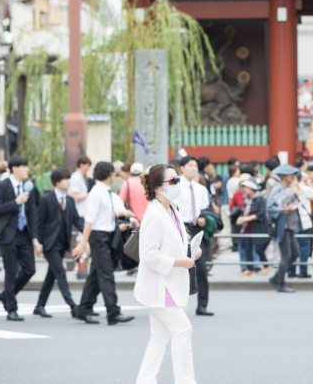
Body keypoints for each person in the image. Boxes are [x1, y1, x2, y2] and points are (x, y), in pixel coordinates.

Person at [135, 164, 201, 384]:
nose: (177, 184)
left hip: (166, 282)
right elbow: (148, 255)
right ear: (158, 187)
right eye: (172, 181)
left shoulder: (171, 209)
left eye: (177, 179)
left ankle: (145, 380)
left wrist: (190, 251)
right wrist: (180, 262)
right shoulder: (154, 214)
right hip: (160, 285)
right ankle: (185, 380)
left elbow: (172, 243)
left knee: (159, 337)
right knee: (183, 330)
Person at [73, 161, 135, 325]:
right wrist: (83, 243)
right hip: (99, 237)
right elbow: (89, 220)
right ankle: (113, 312)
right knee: (106, 274)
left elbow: (103, 216)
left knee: (96, 275)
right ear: (111, 175)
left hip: (106, 235)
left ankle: (83, 309)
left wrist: (121, 215)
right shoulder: (97, 193)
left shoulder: (104, 192)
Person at [0, 156, 41, 321]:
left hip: (24, 234)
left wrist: (35, 238)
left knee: (30, 269)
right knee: (11, 272)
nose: (27, 170)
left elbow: (32, 214)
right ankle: (12, 309)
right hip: (8, 234)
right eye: (24, 167)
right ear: (14, 169)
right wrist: (16, 202)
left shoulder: (28, 187)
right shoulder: (2, 185)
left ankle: (6, 295)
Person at [34, 168, 85, 318]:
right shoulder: (46, 199)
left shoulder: (69, 199)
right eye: (65, 179)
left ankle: (39, 306)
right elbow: (39, 223)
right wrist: (38, 243)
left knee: (51, 275)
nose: (68, 182)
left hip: (63, 243)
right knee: (61, 273)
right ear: (57, 182)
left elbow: (76, 219)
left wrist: (89, 233)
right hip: (50, 244)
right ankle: (73, 306)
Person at [175, 156, 214, 316]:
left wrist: (204, 218)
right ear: (182, 168)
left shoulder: (201, 189)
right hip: (181, 227)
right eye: (190, 165)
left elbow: (205, 209)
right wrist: (182, 231)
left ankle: (202, 305)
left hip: (197, 227)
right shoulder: (175, 186)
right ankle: (176, 304)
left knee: (202, 268)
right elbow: (173, 210)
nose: (193, 168)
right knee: (179, 268)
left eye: (195, 166)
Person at [266, 164, 303, 293]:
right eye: (290, 174)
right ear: (283, 176)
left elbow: (300, 197)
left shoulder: (290, 187)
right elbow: (269, 207)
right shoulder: (277, 189)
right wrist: (283, 209)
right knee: (286, 255)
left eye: (294, 174)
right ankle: (280, 283)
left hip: (291, 225)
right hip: (283, 226)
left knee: (295, 253)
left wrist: (296, 185)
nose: (293, 176)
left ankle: (276, 277)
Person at [231, 178, 269, 276]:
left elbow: (261, 213)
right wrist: (241, 218)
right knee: (247, 247)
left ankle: (266, 265)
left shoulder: (260, 199)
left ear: (252, 188)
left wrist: (246, 218)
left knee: (259, 249)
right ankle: (250, 268)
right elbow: (244, 211)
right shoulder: (246, 199)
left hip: (258, 227)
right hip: (247, 227)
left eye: (246, 187)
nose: (244, 189)